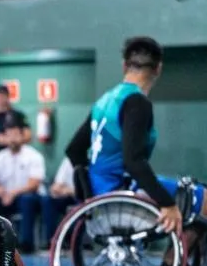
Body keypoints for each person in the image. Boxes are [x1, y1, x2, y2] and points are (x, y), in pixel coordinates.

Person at [66, 36, 200, 236]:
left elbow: (74, 150)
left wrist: (87, 188)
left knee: (192, 195)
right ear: (158, 69)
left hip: (101, 193)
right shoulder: (137, 102)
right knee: (202, 200)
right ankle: (168, 264)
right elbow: (133, 161)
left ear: (124, 66)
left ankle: (173, 263)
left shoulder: (104, 101)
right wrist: (167, 203)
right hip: (121, 192)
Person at [0, 122, 45, 254]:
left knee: (27, 200)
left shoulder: (34, 156)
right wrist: (0, 192)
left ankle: (26, 244)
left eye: (16, 134)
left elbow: (34, 184)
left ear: (23, 136)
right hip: (4, 197)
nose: (12, 138)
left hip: (28, 197)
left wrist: (12, 193)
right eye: (9, 135)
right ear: (5, 137)